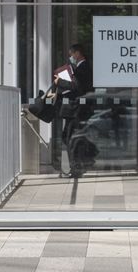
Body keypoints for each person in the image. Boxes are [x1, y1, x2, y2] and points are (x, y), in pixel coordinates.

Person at [54, 43, 93, 178]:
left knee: (71, 138)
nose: (71, 57)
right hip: (76, 108)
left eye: (72, 54)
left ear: (78, 53)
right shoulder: (82, 67)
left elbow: (76, 87)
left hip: (75, 109)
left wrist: (60, 81)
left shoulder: (82, 68)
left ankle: (77, 166)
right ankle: (80, 163)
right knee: (71, 137)